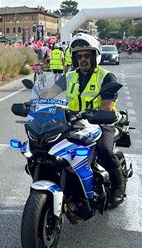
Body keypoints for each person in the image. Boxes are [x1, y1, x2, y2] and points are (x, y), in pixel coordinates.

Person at [33, 33, 126, 208]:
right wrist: (35, 101)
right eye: (79, 56)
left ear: (94, 56)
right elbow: (51, 92)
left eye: (86, 55)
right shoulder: (70, 76)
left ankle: (118, 189)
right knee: (49, 147)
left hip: (101, 121)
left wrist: (91, 114)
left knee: (105, 151)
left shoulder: (106, 77)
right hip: (73, 120)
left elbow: (107, 105)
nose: (83, 59)